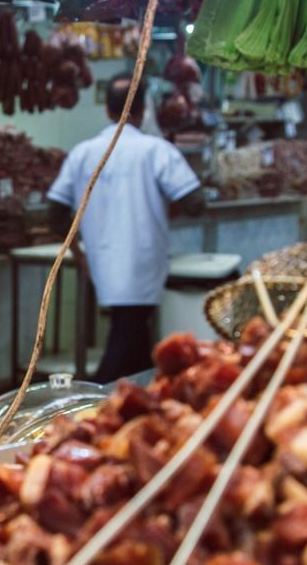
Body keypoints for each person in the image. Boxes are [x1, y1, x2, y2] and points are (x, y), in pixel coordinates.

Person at [47, 78, 203, 383]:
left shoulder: (82, 152)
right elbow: (196, 202)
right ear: (143, 110)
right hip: (144, 257)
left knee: (133, 335)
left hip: (101, 259)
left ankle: (138, 401)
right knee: (127, 335)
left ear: (107, 109)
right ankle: (94, 402)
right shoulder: (156, 150)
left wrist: (79, 254)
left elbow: (54, 215)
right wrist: (162, 207)